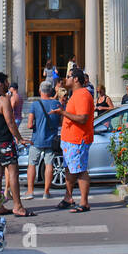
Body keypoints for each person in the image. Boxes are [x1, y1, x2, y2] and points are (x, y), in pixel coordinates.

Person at [0, 72, 31, 218]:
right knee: (13, 173)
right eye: (6, 81)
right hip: (4, 141)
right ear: (0, 84)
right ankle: (18, 206)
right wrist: (20, 138)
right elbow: (10, 122)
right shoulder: (4, 99)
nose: (8, 84)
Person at [53, 67, 95, 213]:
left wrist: (63, 112)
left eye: (69, 76)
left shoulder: (83, 95)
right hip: (70, 139)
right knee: (70, 169)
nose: (66, 79)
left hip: (78, 139)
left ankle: (84, 203)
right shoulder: (75, 94)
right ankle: (68, 197)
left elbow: (83, 118)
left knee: (80, 170)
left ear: (76, 79)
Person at [24, 81, 61, 200]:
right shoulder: (56, 103)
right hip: (51, 139)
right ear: (51, 91)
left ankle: (30, 191)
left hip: (37, 139)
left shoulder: (35, 105)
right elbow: (61, 122)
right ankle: (46, 191)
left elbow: (29, 124)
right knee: (49, 164)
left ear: (40, 91)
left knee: (32, 164)